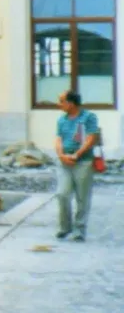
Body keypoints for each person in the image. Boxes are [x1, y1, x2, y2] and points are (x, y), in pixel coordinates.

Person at [53, 89, 100, 241]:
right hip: (65, 161)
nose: (59, 104)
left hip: (83, 162)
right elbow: (58, 139)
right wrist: (61, 155)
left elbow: (91, 138)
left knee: (82, 197)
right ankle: (64, 227)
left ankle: (79, 229)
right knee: (62, 194)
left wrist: (77, 155)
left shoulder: (88, 117)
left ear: (71, 103)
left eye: (62, 101)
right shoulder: (62, 120)